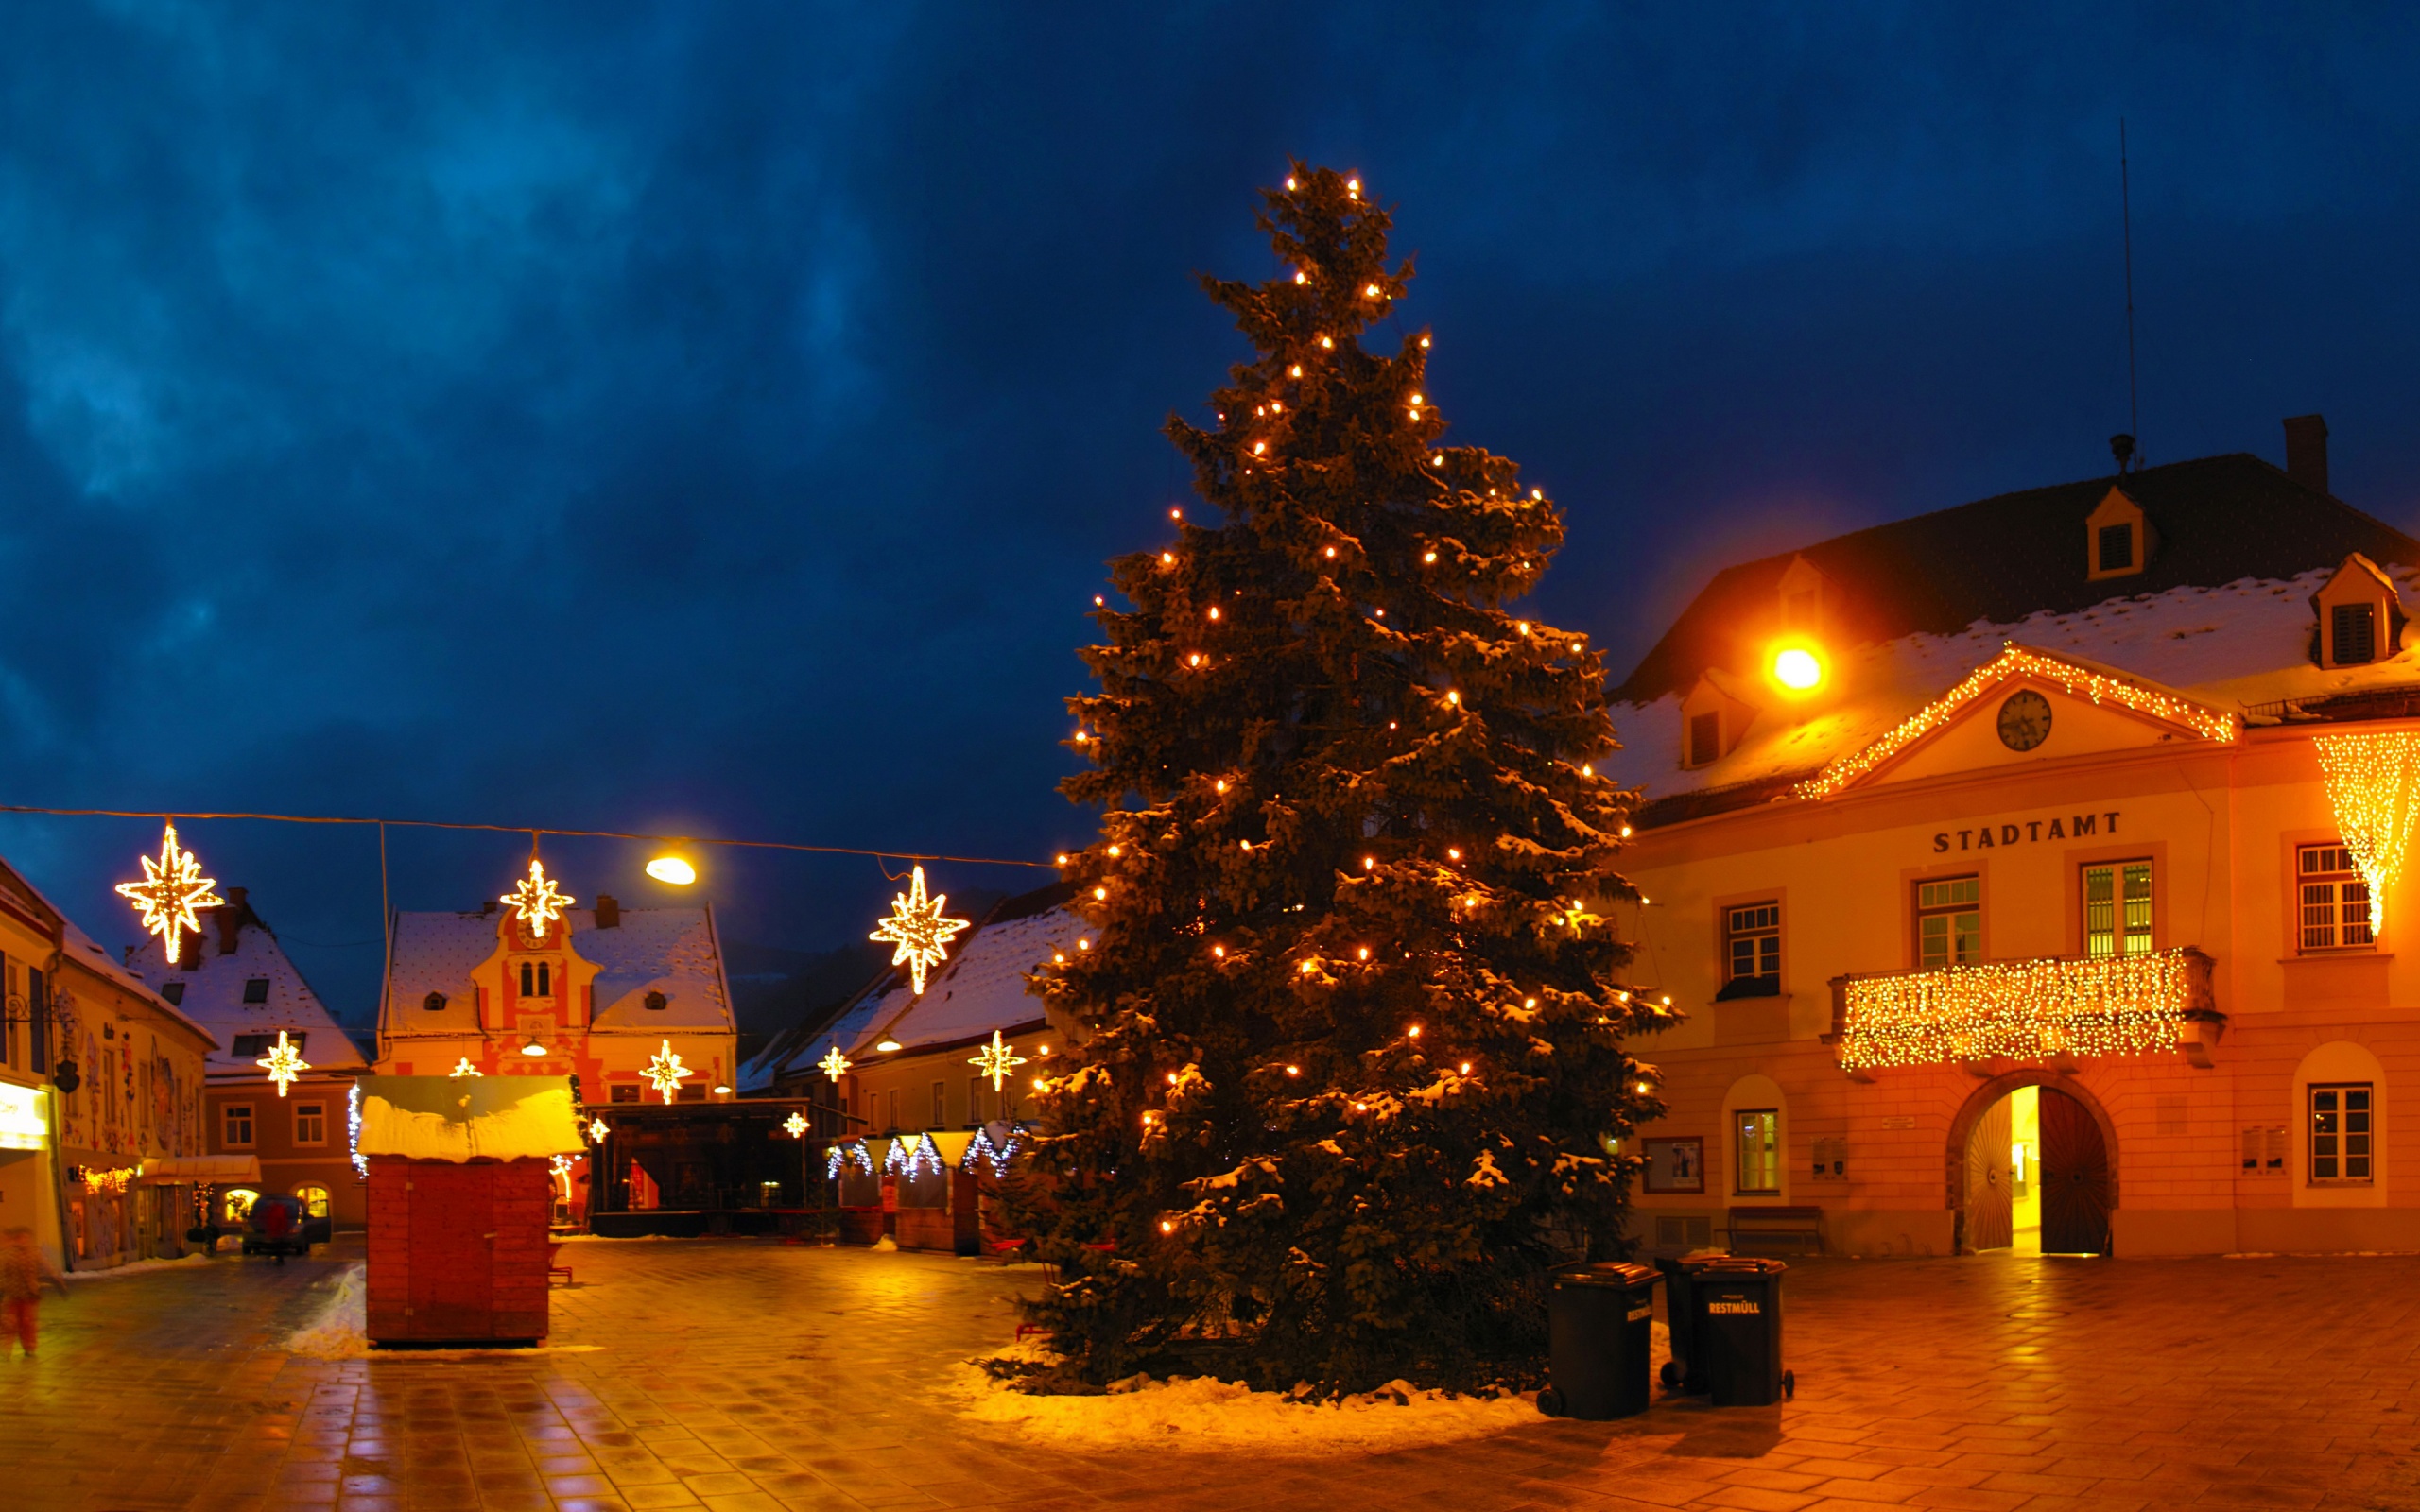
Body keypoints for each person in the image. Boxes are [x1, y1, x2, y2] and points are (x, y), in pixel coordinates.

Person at [0, 1227, 64, 1359]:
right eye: (22, 1238)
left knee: (28, 1322)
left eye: (27, 1238)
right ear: (17, 1239)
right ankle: (6, 1349)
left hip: (29, 1294)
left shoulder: (34, 1252)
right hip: (12, 1294)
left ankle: (29, 1347)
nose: (24, 1241)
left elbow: (47, 1266)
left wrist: (57, 1279)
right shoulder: (7, 1254)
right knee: (9, 1323)